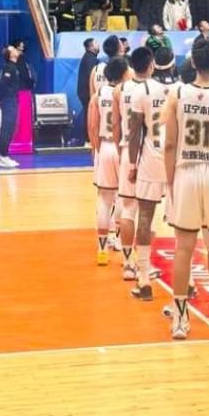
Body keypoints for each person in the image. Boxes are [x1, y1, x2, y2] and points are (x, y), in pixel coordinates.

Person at [162, 38, 209, 340]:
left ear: (193, 62)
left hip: (186, 171)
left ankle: (180, 318)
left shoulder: (177, 94)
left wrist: (171, 181)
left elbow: (170, 144)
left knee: (183, 247)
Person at [129, 47, 177, 301]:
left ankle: (144, 278)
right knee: (182, 223)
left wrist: (132, 164)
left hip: (150, 158)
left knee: (145, 215)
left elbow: (134, 131)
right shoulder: (180, 90)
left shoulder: (143, 90)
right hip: (175, 161)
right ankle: (188, 282)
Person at [110, 47, 151, 280]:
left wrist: (121, 151)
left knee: (128, 208)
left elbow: (115, 125)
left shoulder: (119, 90)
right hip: (149, 153)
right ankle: (145, 264)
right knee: (147, 211)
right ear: (151, 65)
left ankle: (127, 264)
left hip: (127, 150)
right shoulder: (156, 89)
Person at [88, 56, 127, 265]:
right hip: (122, 147)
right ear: (124, 73)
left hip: (104, 146)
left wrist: (96, 150)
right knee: (123, 197)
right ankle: (119, 239)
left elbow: (92, 127)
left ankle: (102, 248)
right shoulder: (126, 94)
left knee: (104, 199)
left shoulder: (98, 95)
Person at [0, 46, 22, 169]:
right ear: (10, 54)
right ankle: (2, 156)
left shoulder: (14, 67)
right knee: (6, 128)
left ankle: (4, 155)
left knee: (11, 128)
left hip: (13, 99)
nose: (16, 50)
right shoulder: (8, 68)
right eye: (13, 49)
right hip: (8, 100)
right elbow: (2, 84)